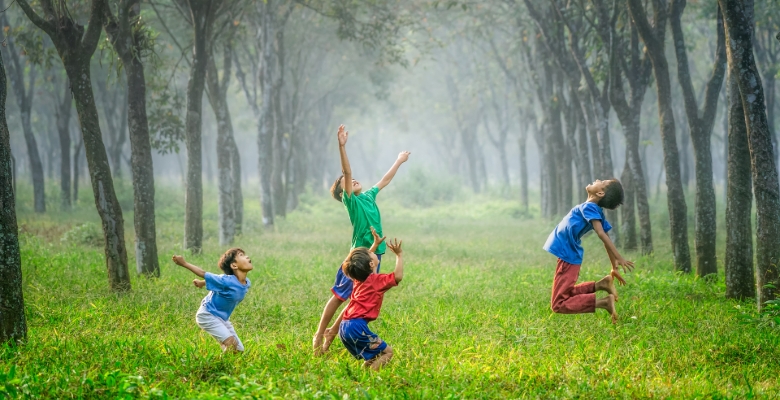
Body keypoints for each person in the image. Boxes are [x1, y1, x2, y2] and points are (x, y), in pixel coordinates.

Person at [312, 124, 410, 354]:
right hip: (358, 257)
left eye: (354, 179)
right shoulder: (352, 202)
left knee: (359, 297)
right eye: (346, 182)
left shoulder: (368, 196)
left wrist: (398, 161)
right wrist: (342, 146)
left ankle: (332, 334)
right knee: (340, 296)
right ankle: (319, 334)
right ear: (342, 192)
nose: (352, 179)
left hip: (375, 254)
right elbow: (347, 172)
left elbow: (384, 180)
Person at [542, 179, 634, 324]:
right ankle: (602, 285)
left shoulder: (590, 207)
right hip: (568, 255)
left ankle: (604, 303)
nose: (597, 180)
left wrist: (618, 257)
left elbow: (602, 234)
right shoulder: (594, 210)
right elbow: (606, 238)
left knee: (558, 304)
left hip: (568, 256)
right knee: (566, 293)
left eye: (602, 182)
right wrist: (614, 267)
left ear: (600, 193)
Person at [337, 231, 404, 370]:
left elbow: (362, 263)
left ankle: (363, 374)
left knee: (374, 355)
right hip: (356, 327)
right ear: (371, 263)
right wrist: (399, 255)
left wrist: (375, 244)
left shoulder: (358, 279)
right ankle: (371, 378)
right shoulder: (377, 281)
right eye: (370, 253)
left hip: (344, 326)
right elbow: (397, 276)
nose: (372, 252)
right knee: (387, 352)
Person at [172, 248, 253, 352]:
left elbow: (217, 281)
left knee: (238, 350)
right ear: (234, 265)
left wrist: (202, 283)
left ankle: (225, 356)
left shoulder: (246, 282)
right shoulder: (226, 280)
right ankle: (219, 360)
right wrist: (184, 263)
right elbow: (203, 273)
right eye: (241, 255)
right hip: (207, 314)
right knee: (231, 343)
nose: (247, 256)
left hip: (222, 318)